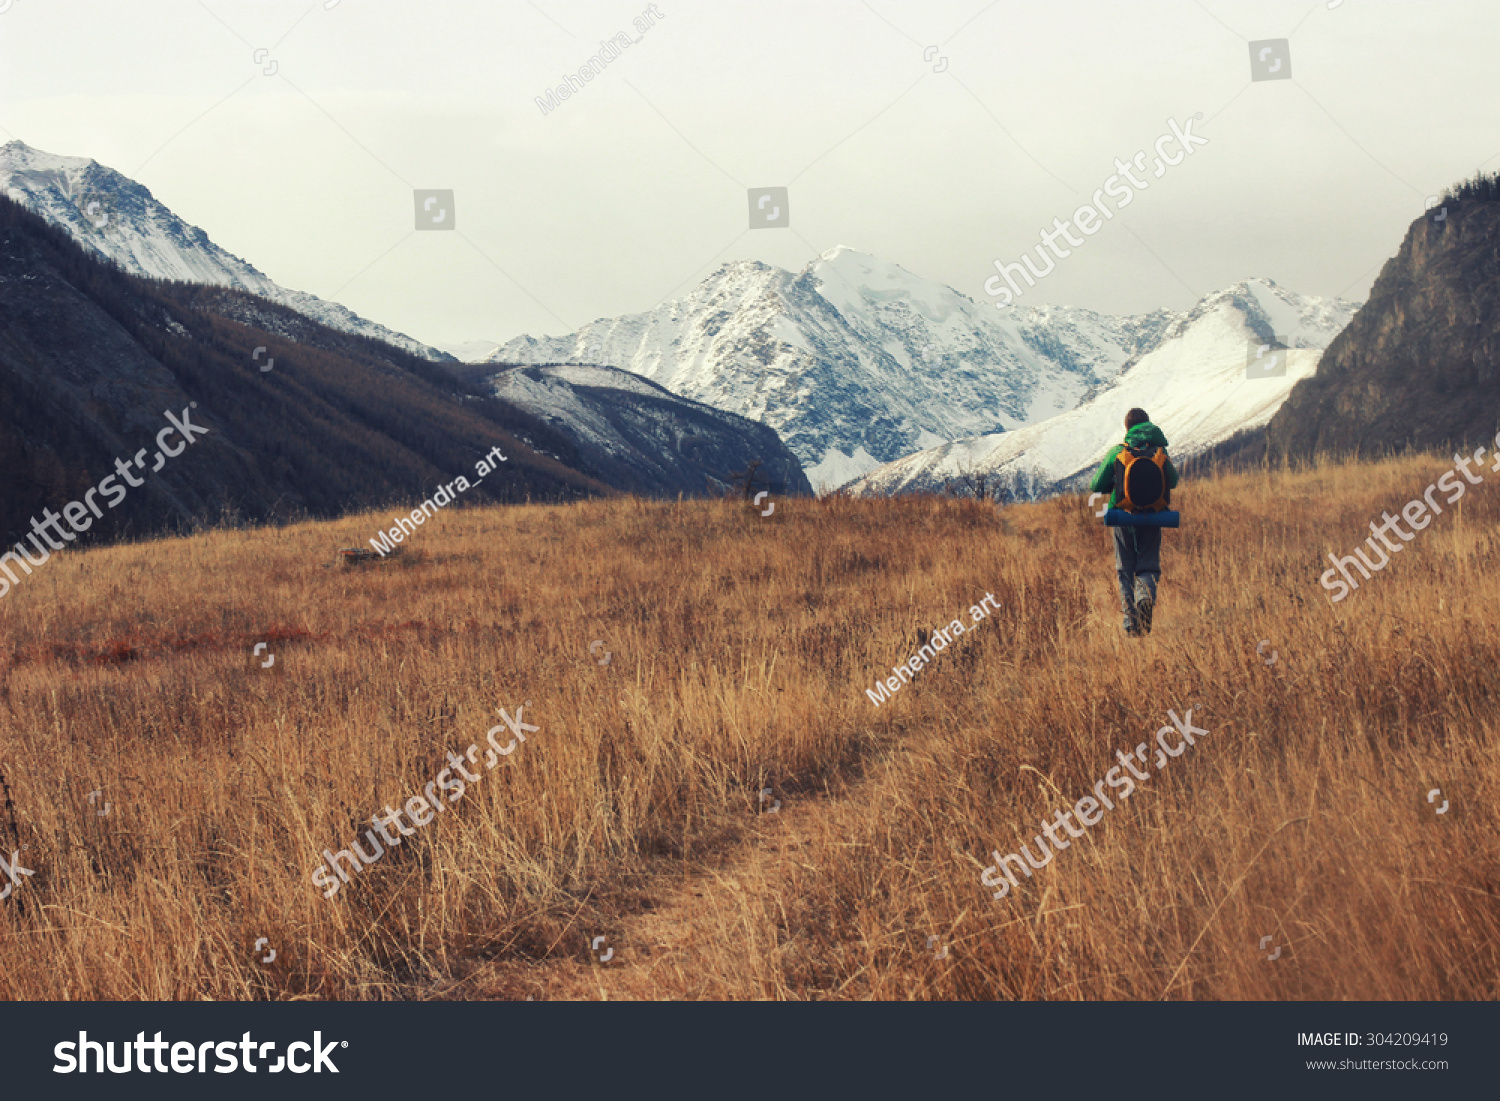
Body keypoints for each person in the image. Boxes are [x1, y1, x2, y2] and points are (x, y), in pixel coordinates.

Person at [1088, 408, 1178, 637]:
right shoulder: (1160, 451)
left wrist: (1117, 483)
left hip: (1123, 515)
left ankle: (1131, 625)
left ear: (1127, 428)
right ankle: (1145, 597)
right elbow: (1174, 481)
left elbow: (1096, 486)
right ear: (1148, 426)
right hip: (1154, 516)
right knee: (1148, 566)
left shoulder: (1118, 452)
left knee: (1124, 570)